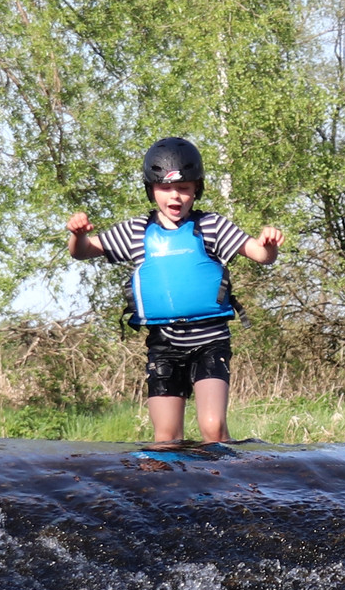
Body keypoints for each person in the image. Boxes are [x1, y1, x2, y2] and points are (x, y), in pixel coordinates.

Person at [64, 137, 283, 446]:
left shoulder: (212, 226)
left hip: (210, 340)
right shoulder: (136, 231)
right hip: (164, 343)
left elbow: (261, 255)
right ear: (151, 189)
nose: (175, 196)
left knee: (213, 429)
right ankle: (178, 479)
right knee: (166, 439)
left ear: (196, 189)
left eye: (184, 188)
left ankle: (228, 476)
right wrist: (77, 235)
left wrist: (268, 245)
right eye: (166, 188)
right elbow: (83, 251)